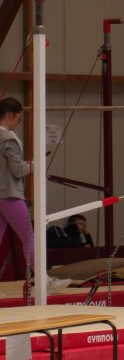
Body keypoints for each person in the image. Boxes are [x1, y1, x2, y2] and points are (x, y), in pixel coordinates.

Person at [0, 97, 70, 292]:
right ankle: (45, 281)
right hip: (10, 195)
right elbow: (17, 171)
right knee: (30, 239)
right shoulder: (8, 139)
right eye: (19, 119)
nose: (19, 122)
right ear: (11, 115)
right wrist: (35, 165)